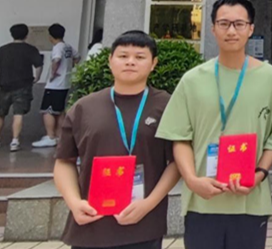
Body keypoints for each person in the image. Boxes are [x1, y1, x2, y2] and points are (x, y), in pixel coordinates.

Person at [156, 0, 272, 249]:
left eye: (239, 24)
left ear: (251, 29)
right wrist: (192, 180)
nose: (231, 31)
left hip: (250, 201)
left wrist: (259, 174)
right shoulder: (192, 79)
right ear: (213, 28)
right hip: (202, 200)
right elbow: (180, 137)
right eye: (224, 23)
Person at [54, 30, 180, 249]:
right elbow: (64, 161)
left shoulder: (167, 105)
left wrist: (149, 203)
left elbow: (177, 162)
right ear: (110, 61)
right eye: (123, 56)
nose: (130, 62)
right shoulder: (84, 107)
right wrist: (74, 203)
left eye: (139, 57)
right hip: (91, 222)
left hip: (143, 222)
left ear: (153, 63)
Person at [0, 24, 44, 151]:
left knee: (0, 114)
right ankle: (15, 141)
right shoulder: (30, 49)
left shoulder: (2, 49)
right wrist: (37, 78)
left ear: (11, 34)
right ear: (26, 35)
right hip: (23, 86)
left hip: (4, 86)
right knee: (18, 114)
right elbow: (38, 65)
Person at [34, 23, 80, 148]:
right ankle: (60, 136)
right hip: (65, 83)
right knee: (59, 111)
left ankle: (50, 136)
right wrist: (69, 67)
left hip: (55, 85)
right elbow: (77, 57)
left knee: (47, 110)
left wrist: (53, 73)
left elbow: (56, 59)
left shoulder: (57, 47)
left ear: (50, 36)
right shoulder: (68, 46)